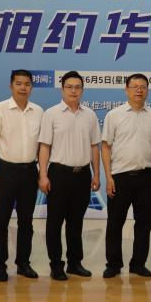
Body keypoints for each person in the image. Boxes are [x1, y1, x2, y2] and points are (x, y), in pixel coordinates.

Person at [38, 71, 101, 281]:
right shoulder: (51, 114)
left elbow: (94, 146)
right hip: (59, 174)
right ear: (62, 89)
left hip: (82, 175)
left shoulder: (90, 115)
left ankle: (75, 263)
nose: (73, 91)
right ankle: (56, 265)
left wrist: (96, 174)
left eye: (77, 87)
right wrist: (43, 175)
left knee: (76, 223)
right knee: (54, 223)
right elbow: (44, 146)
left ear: (82, 90)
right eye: (69, 87)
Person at [101, 73, 151, 278]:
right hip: (120, 177)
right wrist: (108, 177)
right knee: (115, 222)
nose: (139, 90)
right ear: (126, 90)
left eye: (143, 87)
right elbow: (105, 147)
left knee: (144, 223)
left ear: (147, 90)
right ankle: (113, 264)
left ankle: (138, 264)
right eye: (134, 86)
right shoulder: (114, 115)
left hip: (147, 177)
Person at [0, 69, 43, 282]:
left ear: (31, 87)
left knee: (26, 221)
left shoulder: (38, 111)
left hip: (30, 172)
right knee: (1, 220)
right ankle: (0, 266)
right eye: (19, 83)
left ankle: (23, 263)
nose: (23, 88)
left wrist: (42, 172)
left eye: (27, 84)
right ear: (11, 86)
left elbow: (41, 145)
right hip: (5, 171)